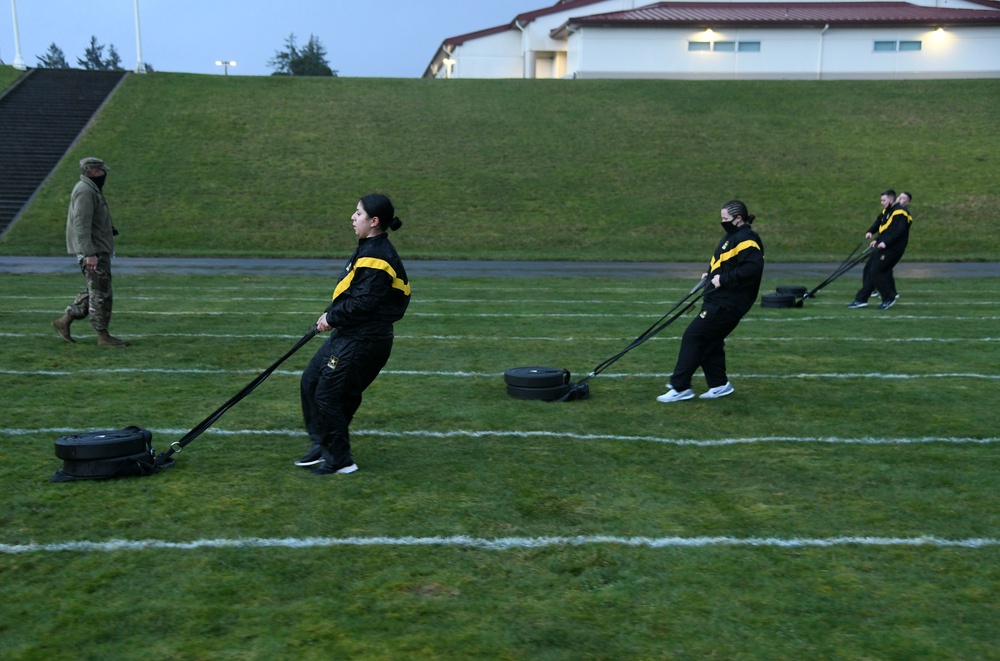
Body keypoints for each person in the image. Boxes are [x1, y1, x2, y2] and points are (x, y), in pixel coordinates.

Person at [296, 193, 410, 475]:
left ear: (374, 221)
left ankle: (339, 460)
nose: (352, 217)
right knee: (311, 381)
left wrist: (332, 317)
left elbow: (364, 302)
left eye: (358, 213)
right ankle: (322, 444)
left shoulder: (377, 256)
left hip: (364, 340)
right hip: (349, 334)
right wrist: (329, 314)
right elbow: (352, 292)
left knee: (328, 394)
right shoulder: (369, 248)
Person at [657, 200, 764, 403]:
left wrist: (722, 279)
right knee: (710, 342)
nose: (722, 222)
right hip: (717, 298)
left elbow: (752, 269)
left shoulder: (747, 239)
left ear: (738, 218)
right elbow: (727, 262)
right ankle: (719, 385)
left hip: (728, 303)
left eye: (725, 219)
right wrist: (711, 273)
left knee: (694, 337)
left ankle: (680, 387)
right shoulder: (732, 236)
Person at [52, 157, 129, 346]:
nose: (105, 174)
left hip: (98, 249)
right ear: (95, 172)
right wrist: (89, 253)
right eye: (103, 171)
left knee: (96, 289)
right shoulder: (85, 191)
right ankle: (103, 335)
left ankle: (64, 322)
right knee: (101, 293)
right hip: (93, 251)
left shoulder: (89, 189)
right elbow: (81, 224)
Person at [848, 189, 912, 310]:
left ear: (891, 200)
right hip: (884, 246)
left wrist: (885, 242)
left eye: (883, 200)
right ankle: (861, 299)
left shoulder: (901, 213)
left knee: (877, 271)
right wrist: (872, 234)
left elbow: (898, 231)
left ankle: (888, 298)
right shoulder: (887, 211)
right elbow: (881, 225)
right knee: (869, 268)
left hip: (893, 248)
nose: (882, 202)